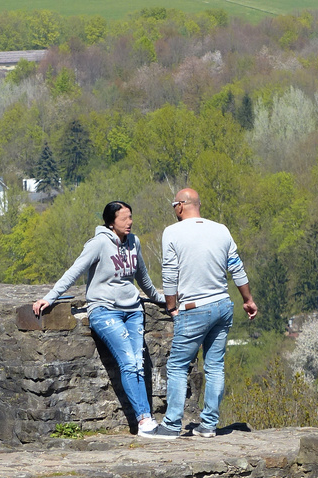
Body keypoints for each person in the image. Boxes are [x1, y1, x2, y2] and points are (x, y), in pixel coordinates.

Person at [32, 201, 164, 435]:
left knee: (138, 361)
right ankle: (144, 421)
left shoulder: (134, 242)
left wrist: (160, 298)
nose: (129, 222)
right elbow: (75, 270)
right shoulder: (99, 243)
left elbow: (142, 277)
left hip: (133, 310)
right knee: (129, 361)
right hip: (104, 310)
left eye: (131, 217)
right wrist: (50, 297)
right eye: (124, 219)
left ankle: (146, 420)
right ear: (111, 222)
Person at [139, 188, 257, 439]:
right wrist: (247, 299)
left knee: (178, 366)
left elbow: (170, 273)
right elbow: (236, 267)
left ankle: (171, 426)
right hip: (223, 305)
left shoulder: (173, 232)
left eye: (174, 206)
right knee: (215, 366)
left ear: (181, 206)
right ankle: (208, 425)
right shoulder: (221, 229)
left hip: (194, 308)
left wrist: (171, 305)